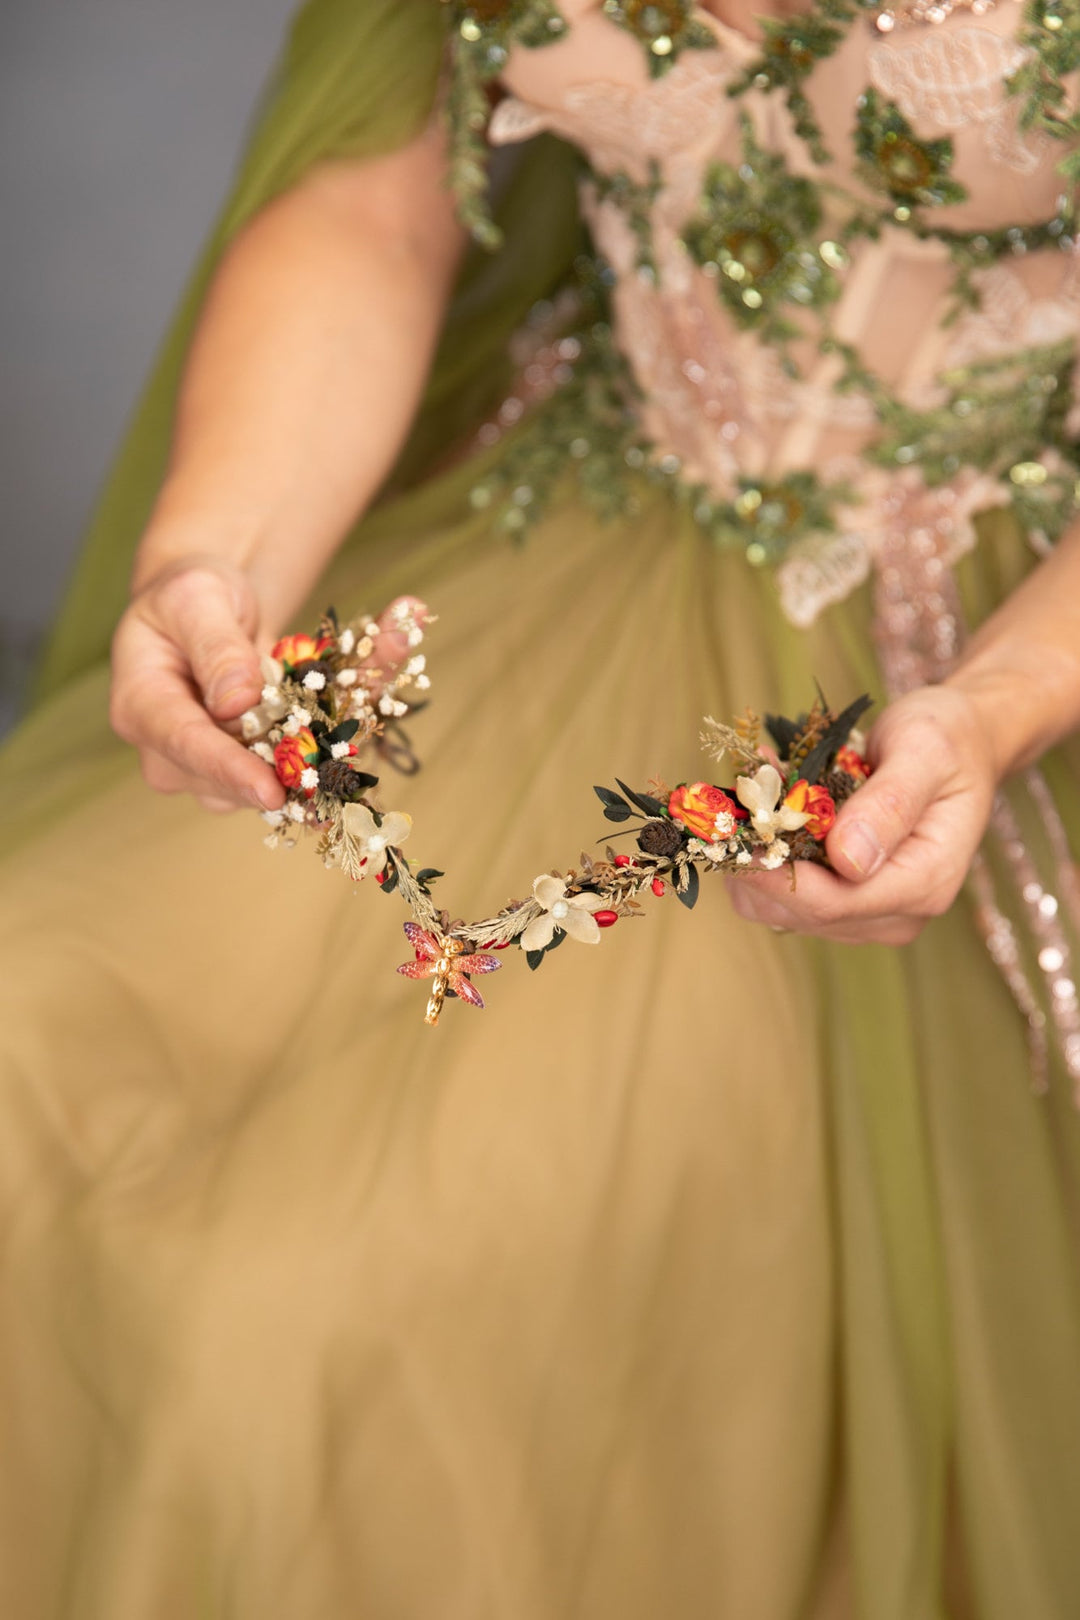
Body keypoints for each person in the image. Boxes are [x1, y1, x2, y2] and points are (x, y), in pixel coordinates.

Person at [2, 0, 1080, 1613]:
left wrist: (991, 715)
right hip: (540, 545)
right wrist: (214, 559)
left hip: (943, 681)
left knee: (299, 1334)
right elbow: (379, 194)